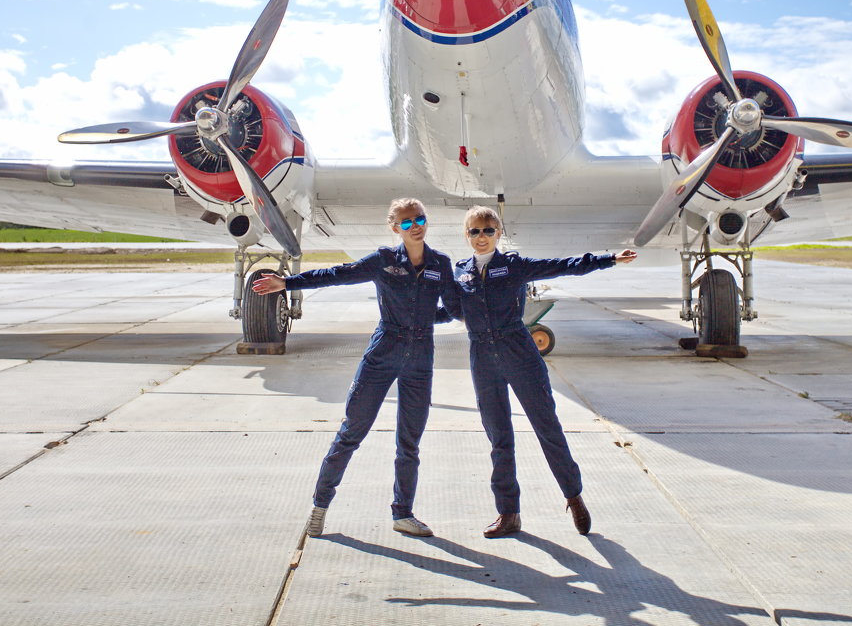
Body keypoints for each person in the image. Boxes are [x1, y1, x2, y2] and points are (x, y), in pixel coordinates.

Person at [252, 198, 457, 539]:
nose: (414, 226)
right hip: (384, 352)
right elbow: (336, 275)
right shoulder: (384, 261)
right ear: (396, 228)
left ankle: (403, 513)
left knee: (410, 442)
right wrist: (287, 284)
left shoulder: (441, 264)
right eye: (406, 223)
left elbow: (452, 308)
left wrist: (425, 319)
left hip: (421, 357)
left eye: (419, 219)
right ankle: (319, 508)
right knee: (351, 433)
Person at [448, 205, 635, 538]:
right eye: (474, 231)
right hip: (482, 356)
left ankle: (573, 495)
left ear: (498, 233)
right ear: (466, 235)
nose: (481, 237)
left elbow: (562, 267)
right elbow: (450, 309)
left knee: (547, 426)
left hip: (518, 351)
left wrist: (608, 259)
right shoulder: (460, 272)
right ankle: (508, 513)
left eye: (488, 230)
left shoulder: (515, 266)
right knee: (498, 437)